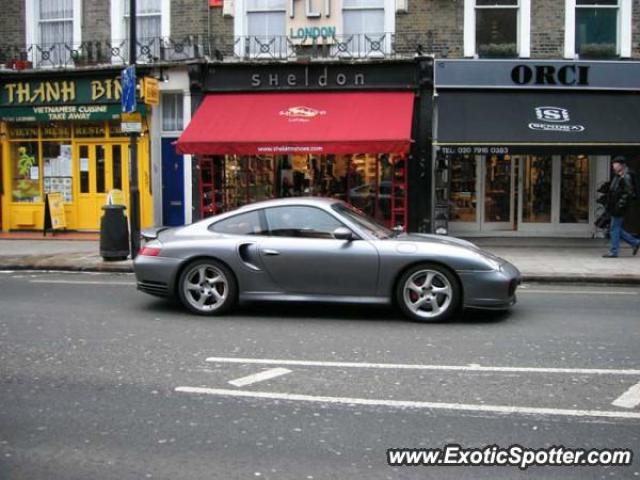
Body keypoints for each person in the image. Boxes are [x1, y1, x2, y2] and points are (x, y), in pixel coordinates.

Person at [603, 157, 640, 258]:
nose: (613, 166)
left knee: (614, 229)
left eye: (615, 164)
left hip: (619, 208)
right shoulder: (618, 175)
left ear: (621, 165)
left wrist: (619, 206)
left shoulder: (626, 176)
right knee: (615, 228)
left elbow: (628, 193)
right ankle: (635, 242)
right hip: (615, 206)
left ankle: (614, 251)